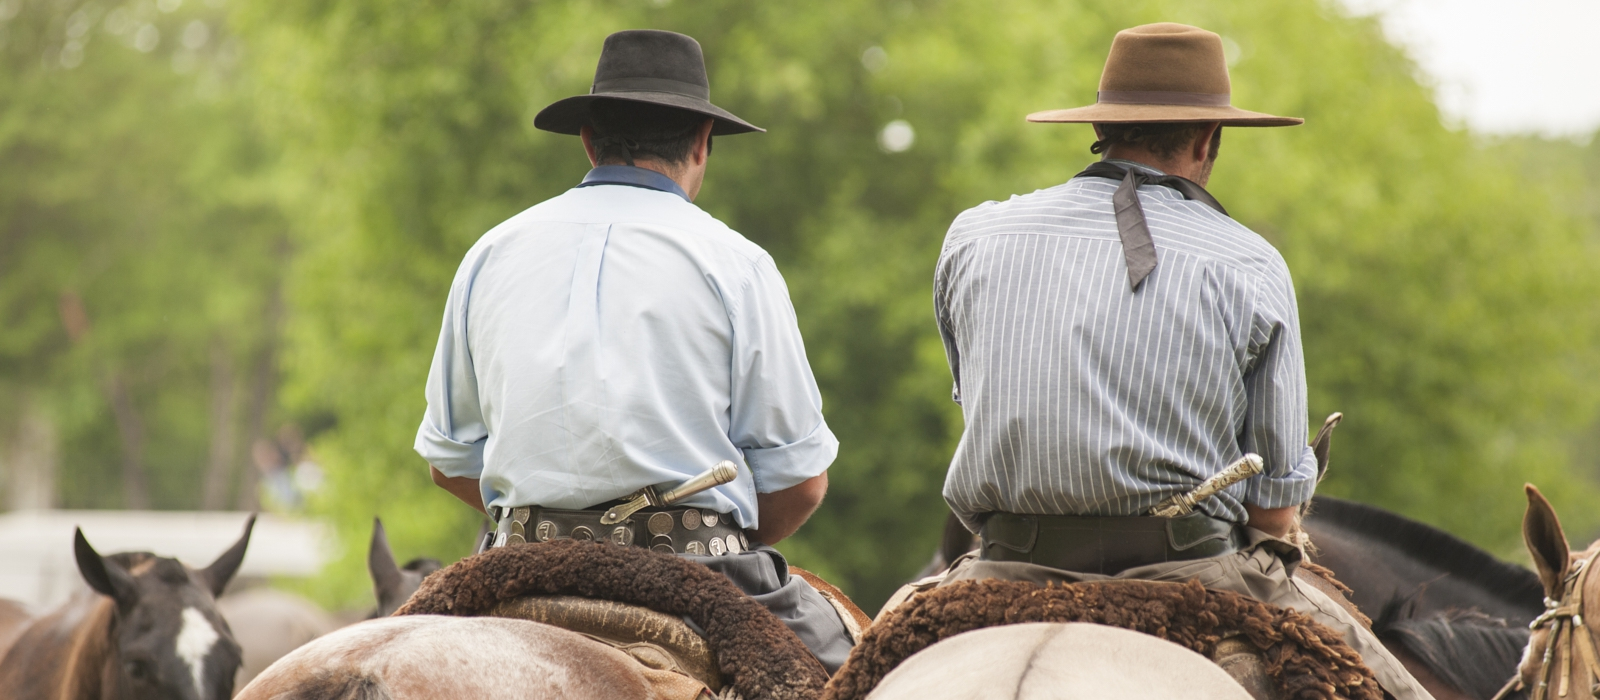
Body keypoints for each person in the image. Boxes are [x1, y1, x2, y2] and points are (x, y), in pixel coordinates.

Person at [931, 23, 1432, 699]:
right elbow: (1277, 506)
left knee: (850, 664)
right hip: (1193, 572)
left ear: (1102, 131)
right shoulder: (1248, 260)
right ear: (1207, 140)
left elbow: (976, 397)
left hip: (1004, 564)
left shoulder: (974, 236)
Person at [413, 29, 852, 672]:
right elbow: (802, 484)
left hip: (518, 562)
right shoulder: (738, 264)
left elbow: (449, 462)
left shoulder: (490, 253)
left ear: (589, 140)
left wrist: (562, 527)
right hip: (697, 567)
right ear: (702, 143)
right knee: (851, 668)